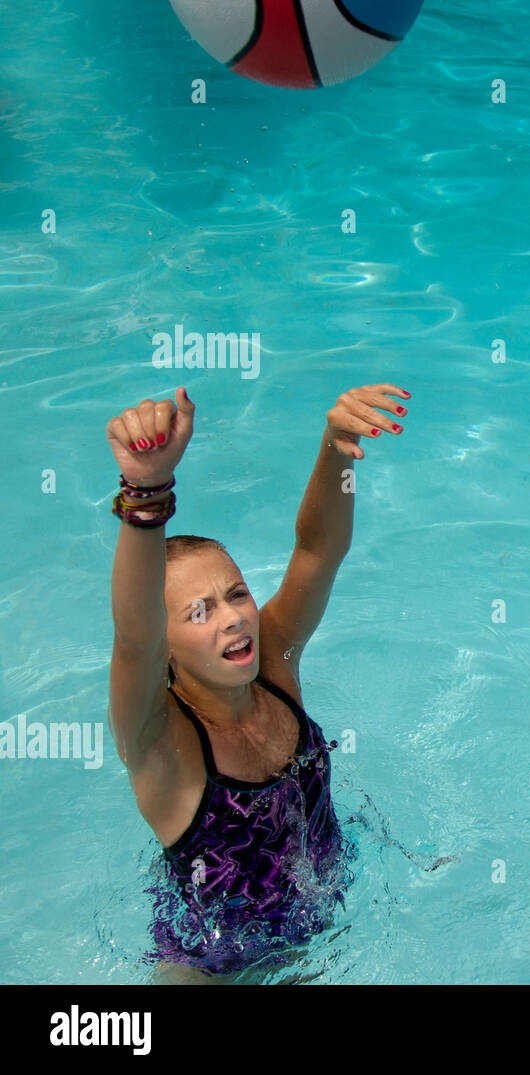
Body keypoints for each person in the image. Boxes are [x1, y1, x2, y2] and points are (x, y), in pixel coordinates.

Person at [105, 383, 411, 980]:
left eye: (236, 593)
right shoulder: (161, 745)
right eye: (199, 612)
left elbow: (318, 550)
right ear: (166, 654)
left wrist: (338, 445)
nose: (233, 616)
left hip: (317, 930)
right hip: (213, 968)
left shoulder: (274, 667)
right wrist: (147, 492)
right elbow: (134, 638)